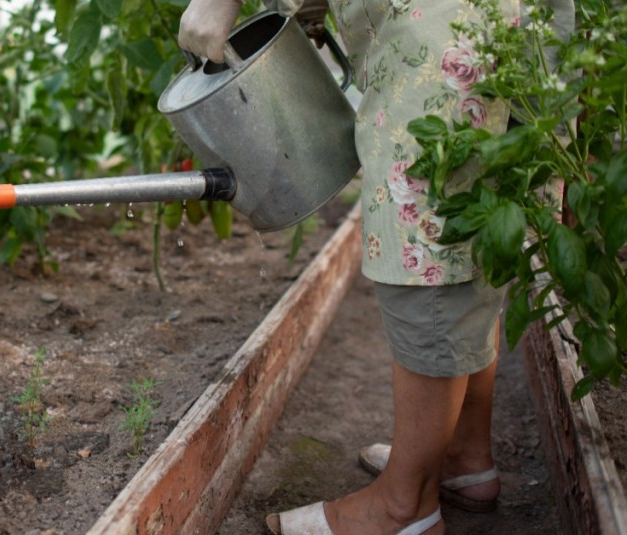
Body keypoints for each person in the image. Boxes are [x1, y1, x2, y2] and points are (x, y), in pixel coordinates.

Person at [177, 0, 572, 533]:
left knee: (428, 237)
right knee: (480, 218)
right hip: (505, 18)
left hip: (439, 23)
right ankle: (463, 456)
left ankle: (403, 506)